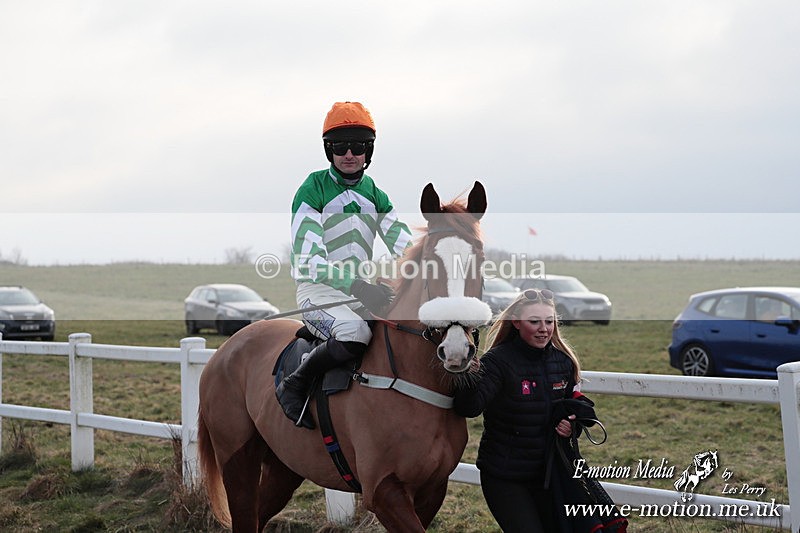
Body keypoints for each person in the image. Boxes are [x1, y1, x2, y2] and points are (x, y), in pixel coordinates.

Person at [276, 101, 413, 429]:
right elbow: (309, 260)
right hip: (318, 294)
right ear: (329, 150)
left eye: (358, 146)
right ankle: (294, 384)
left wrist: (422, 270)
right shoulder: (312, 189)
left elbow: (405, 246)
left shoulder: (376, 194)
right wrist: (357, 286)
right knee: (355, 333)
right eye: (340, 147)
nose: (349, 154)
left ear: (369, 150)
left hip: (360, 293)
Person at [453, 288, 590, 532]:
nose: (544, 329)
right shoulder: (497, 361)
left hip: (551, 476)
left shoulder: (564, 362)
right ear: (516, 322)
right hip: (505, 477)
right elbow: (469, 407)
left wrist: (572, 426)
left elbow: (571, 409)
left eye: (549, 321)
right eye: (534, 321)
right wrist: (468, 376)